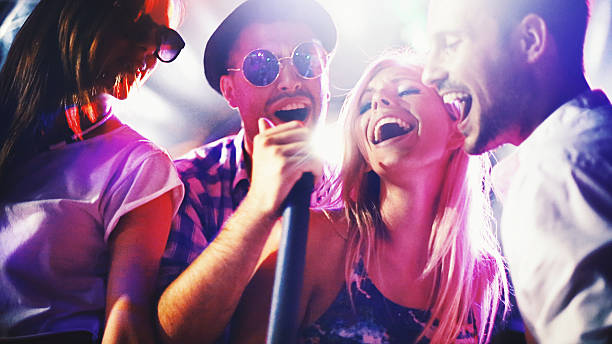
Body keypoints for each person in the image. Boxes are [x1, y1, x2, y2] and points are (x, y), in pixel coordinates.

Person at [228, 53, 509, 343]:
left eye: (406, 90)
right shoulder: (313, 239)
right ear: (363, 158)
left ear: (455, 129)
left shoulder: (480, 274)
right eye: (365, 105)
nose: (379, 102)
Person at [422, 0, 612, 342]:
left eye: (450, 44)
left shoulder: (557, 172)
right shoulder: (589, 144)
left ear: (530, 41)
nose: (430, 73)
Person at [0, 0, 185, 342]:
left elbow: (126, 321)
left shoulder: (138, 165)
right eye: (135, 24)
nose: (148, 48)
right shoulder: (12, 131)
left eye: (164, 40)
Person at [155, 0, 337, 343]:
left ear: (326, 74)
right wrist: (258, 207)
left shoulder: (358, 184)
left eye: (306, 60)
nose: (289, 81)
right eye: (261, 66)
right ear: (229, 91)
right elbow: (169, 336)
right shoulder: (187, 184)